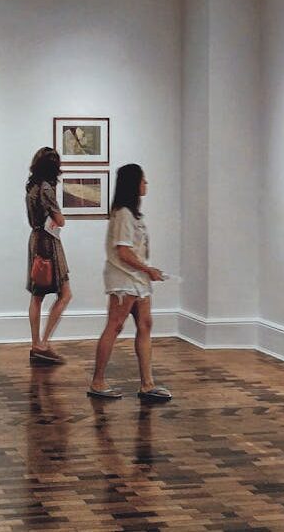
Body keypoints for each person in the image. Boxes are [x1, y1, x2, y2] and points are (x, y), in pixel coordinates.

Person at [88, 164, 170, 401]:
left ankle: (147, 383)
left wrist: (147, 271)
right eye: (143, 180)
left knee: (145, 325)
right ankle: (98, 381)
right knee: (115, 326)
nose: (146, 184)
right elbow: (123, 251)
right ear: (134, 184)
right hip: (124, 279)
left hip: (138, 279)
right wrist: (148, 269)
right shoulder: (123, 213)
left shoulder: (133, 214)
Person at [25, 147, 72, 364]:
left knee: (37, 296)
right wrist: (59, 217)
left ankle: (37, 344)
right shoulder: (46, 188)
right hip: (48, 242)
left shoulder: (32, 186)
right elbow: (59, 219)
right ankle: (43, 343)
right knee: (65, 293)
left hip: (36, 239)